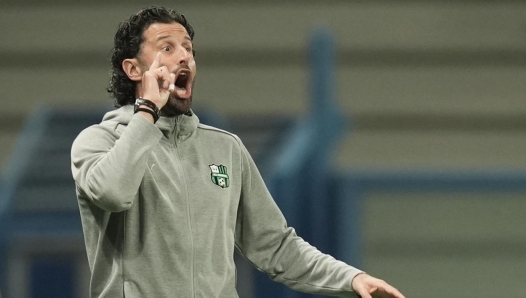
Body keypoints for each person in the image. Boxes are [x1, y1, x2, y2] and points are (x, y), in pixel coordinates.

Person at [71, 6, 405, 298]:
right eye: (167, 48)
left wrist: (351, 278)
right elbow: (113, 193)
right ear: (134, 70)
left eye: (188, 48)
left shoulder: (226, 149)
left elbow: (276, 246)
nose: (184, 56)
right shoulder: (98, 142)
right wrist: (146, 112)